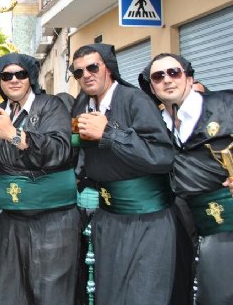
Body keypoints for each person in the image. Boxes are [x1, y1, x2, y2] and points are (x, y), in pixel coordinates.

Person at [70, 43, 176, 304]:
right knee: (110, 294)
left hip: (146, 220)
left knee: (143, 294)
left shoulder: (135, 100)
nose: (86, 75)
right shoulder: (83, 103)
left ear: (109, 68)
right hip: (107, 218)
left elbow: (162, 156)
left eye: (93, 67)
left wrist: (109, 133)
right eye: (79, 72)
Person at [0, 53, 80, 305]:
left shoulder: (51, 105)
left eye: (20, 74)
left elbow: (60, 150)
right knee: (10, 293)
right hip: (11, 221)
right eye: (6, 75)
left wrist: (12, 134)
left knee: (50, 293)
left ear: (30, 78)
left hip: (52, 220)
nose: (14, 80)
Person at [139, 53, 233, 304]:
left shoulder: (226, 104)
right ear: (152, 87)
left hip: (225, 221)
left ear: (189, 77)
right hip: (180, 223)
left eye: (174, 72)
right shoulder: (154, 125)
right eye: (158, 77)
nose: (167, 80)